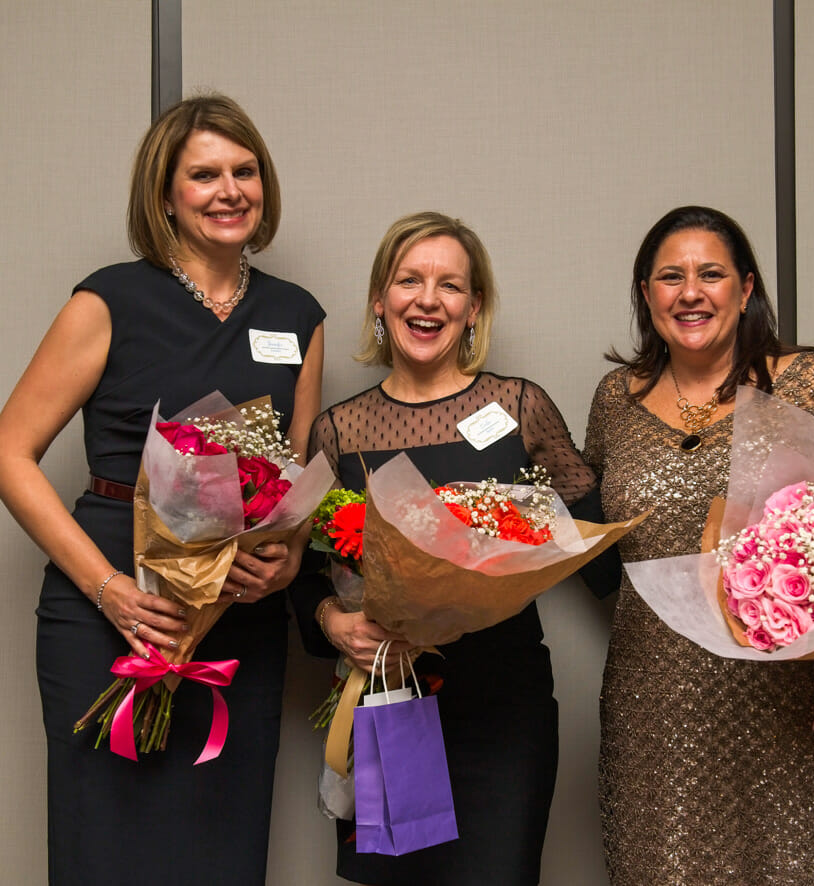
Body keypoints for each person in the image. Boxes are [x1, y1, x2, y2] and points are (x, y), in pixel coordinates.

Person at [0, 94, 324, 885]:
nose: (229, 190)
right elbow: (10, 451)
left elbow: (296, 483)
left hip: (238, 617)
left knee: (221, 841)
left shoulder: (297, 316)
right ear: (165, 194)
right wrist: (108, 589)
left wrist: (283, 563)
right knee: (105, 842)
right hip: (111, 604)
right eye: (204, 175)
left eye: (244, 171)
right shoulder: (108, 300)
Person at [296, 211, 617, 885]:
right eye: (409, 280)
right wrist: (332, 620)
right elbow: (298, 570)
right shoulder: (339, 431)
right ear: (380, 301)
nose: (428, 299)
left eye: (450, 285)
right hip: (390, 703)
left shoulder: (521, 406)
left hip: (504, 710)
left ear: (475, 308)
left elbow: (598, 549)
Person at [583, 205, 814, 885]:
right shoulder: (614, 400)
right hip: (651, 710)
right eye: (670, 276)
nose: (690, 291)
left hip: (786, 714)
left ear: (745, 290)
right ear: (646, 294)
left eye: (711, 274)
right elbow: (590, 527)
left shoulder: (811, 384)